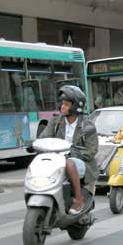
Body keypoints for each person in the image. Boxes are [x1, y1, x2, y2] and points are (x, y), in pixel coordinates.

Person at [39, 85, 99, 215]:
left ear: (76, 106)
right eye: (62, 104)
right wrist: (36, 144)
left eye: (66, 104)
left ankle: (79, 200)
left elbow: (91, 151)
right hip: (57, 159)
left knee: (69, 163)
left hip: (82, 163)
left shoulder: (87, 125)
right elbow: (44, 137)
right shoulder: (55, 121)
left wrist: (73, 153)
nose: (62, 107)